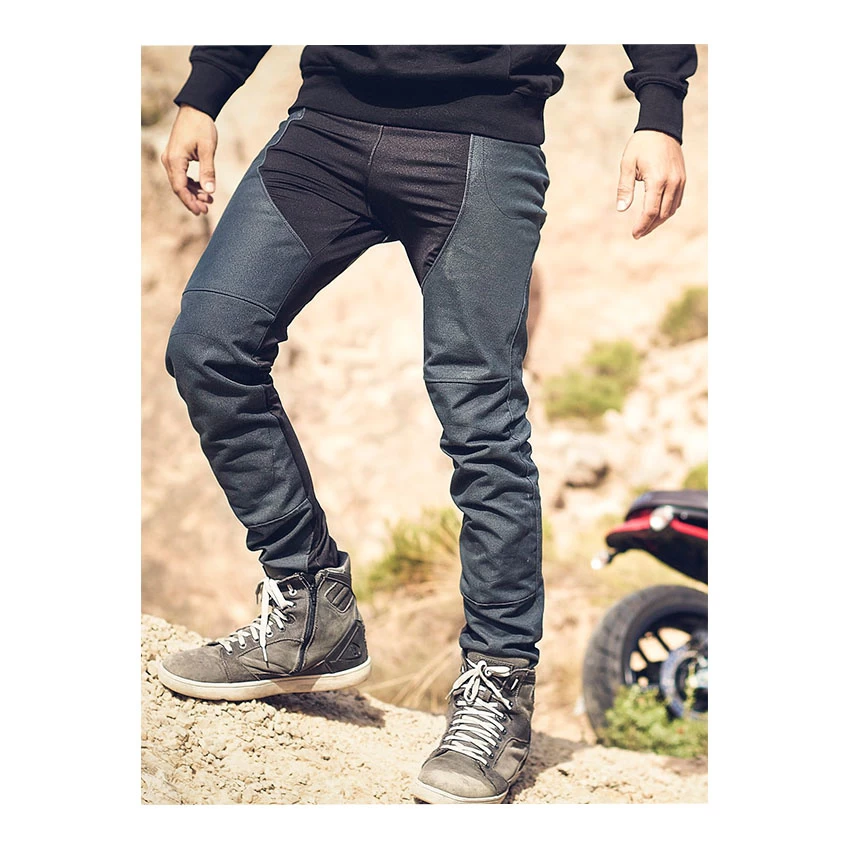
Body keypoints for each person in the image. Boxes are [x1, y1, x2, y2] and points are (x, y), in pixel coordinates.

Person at [156, 44, 698, 804]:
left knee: (482, 419)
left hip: (483, 138)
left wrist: (660, 109)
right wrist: (205, 91)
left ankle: (498, 678)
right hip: (326, 126)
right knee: (210, 345)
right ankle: (308, 607)